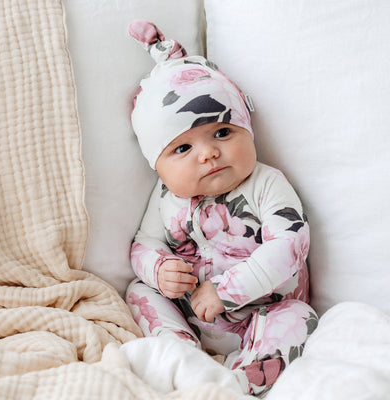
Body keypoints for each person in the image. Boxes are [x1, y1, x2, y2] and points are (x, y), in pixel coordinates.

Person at [122, 20, 318, 396]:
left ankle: (239, 382)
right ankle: (180, 353)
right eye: (183, 148)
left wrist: (227, 291)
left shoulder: (266, 183)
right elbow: (143, 243)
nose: (209, 152)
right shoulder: (166, 196)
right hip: (190, 312)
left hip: (261, 314)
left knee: (301, 319)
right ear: (157, 165)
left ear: (247, 128)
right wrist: (159, 269)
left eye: (222, 132)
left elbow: (291, 244)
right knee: (139, 290)